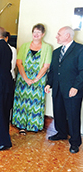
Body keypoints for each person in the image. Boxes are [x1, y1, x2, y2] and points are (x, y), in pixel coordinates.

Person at [45, 26, 83, 154]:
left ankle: (75, 142)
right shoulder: (56, 52)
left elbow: (82, 71)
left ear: (67, 35)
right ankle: (61, 133)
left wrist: (76, 87)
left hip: (72, 90)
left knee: (73, 116)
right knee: (58, 112)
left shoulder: (80, 49)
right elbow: (53, 71)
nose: (56, 36)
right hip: (57, 88)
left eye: (59, 34)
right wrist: (49, 83)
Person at [12, 24, 52, 135]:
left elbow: (46, 65)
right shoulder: (24, 46)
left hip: (38, 80)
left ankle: (33, 125)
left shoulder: (47, 48)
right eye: (34, 32)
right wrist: (26, 79)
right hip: (23, 78)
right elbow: (19, 64)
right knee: (22, 101)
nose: (36, 34)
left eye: (38, 32)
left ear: (43, 34)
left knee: (35, 102)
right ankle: (21, 125)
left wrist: (35, 79)